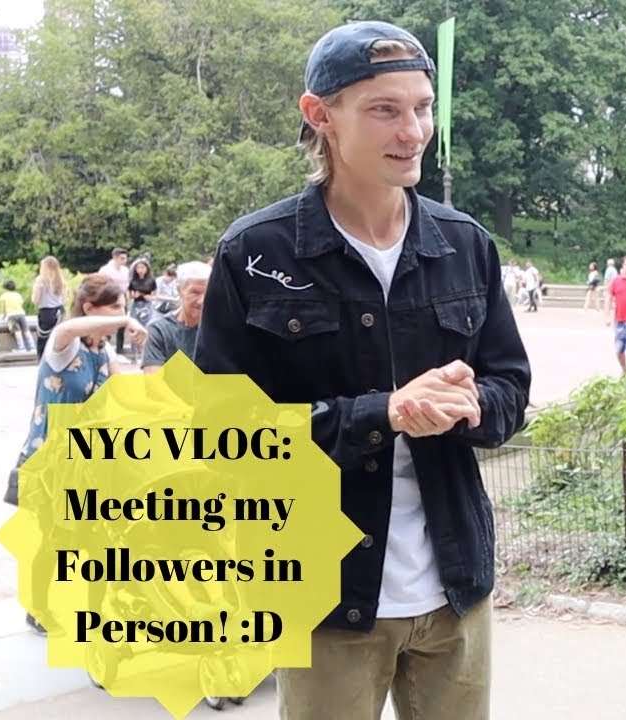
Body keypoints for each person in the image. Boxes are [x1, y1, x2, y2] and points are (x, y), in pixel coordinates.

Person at [194, 20, 531, 720]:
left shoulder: (466, 245)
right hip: (323, 596)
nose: (413, 131)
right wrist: (383, 413)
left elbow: (510, 387)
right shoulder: (255, 253)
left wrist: (472, 404)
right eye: (384, 109)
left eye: (423, 108)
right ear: (320, 115)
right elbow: (224, 437)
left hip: (456, 591)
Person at [5, 274, 147, 633]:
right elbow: (70, 328)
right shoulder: (64, 343)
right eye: (115, 307)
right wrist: (126, 320)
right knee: (56, 542)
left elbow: (125, 393)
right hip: (50, 461)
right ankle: (37, 608)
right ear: (89, 308)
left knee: (101, 540)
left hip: (87, 462)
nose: (122, 314)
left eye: (123, 308)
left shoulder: (103, 351)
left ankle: (97, 615)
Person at [141, 261, 210, 376]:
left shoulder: (219, 330)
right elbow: (153, 380)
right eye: (194, 292)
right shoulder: (159, 330)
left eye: (207, 293)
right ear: (179, 291)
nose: (201, 300)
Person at [31, 256, 68, 358]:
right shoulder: (61, 280)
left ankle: (43, 359)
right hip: (60, 311)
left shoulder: (41, 281)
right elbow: (64, 298)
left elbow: (35, 300)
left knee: (43, 340)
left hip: (46, 312)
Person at [98, 247, 131, 354]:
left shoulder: (125, 270)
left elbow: (127, 285)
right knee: (108, 322)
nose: (124, 261)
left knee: (122, 323)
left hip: (122, 296)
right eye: (122, 258)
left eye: (125, 258)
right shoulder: (105, 270)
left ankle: (119, 349)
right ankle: (105, 346)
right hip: (109, 297)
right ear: (115, 258)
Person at [0, 280, 34, 352]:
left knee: (17, 332)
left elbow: (3, 308)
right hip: (21, 314)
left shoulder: (3, 296)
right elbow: (21, 304)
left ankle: (21, 348)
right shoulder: (18, 295)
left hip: (11, 316)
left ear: (5, 288)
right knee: (26, 330)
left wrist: (3, 316)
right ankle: (32, 347)